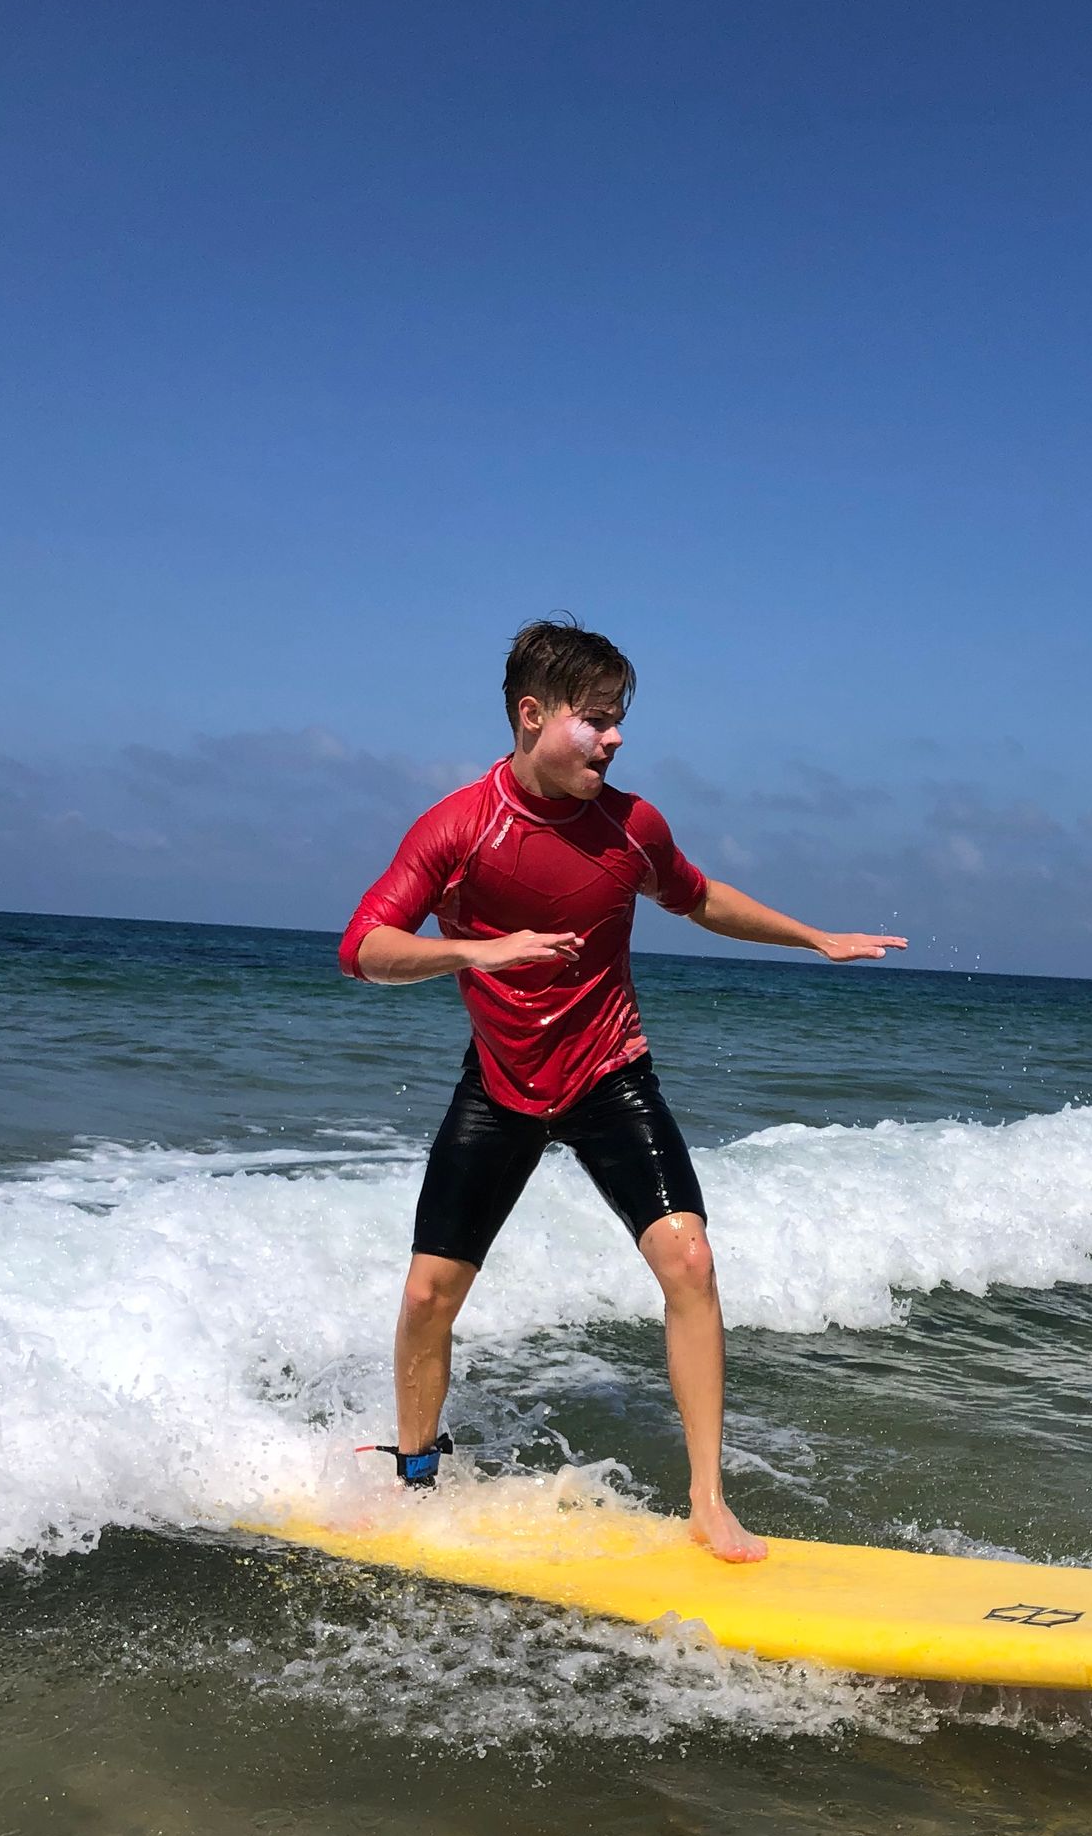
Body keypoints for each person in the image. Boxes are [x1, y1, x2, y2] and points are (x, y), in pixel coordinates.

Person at [338, 619, 906, 1563]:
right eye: (596, 721)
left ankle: (709, 1501)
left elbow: (698, 895)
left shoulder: (630, 827)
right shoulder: (457, 828)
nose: (615, 739)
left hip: (610, 1073)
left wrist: (816, 938)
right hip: (503, 1082)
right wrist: (477, 950)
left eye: (619, 721)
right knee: (431, 1291)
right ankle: (413, 1473)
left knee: (691, 1262)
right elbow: (363, 949)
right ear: (533, 716)